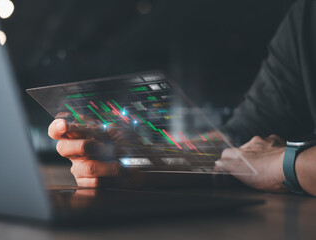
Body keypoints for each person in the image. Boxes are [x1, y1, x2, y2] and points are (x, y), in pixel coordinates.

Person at [48, 0, 316, 196]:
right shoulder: (306, 18)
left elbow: (264, 159)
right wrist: (141, 160)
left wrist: (286, 164)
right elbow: (242, 140)